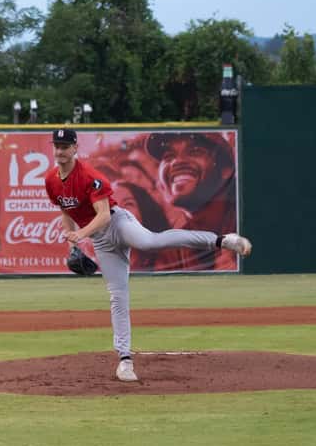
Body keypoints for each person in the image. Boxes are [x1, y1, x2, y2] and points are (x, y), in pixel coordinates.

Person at [44, 128, 252, 383]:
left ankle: (221, 240)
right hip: (101, 241)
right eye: (57, 146)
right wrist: (72, 244)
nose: (60, 151)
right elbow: (66, 212)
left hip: (118, 224)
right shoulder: (51, 181)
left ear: (75, 149)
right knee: (117, 297)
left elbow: (104, 215)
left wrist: (81, 234)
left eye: (65, 146)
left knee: (150, 241)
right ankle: (124, 360)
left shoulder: (90, 176)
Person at [145, 132, 239, 270]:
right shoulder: (173, 244)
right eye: (169, 156)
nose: (177, 162)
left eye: (195, 152)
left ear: (226, 170)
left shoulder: (242, 219)